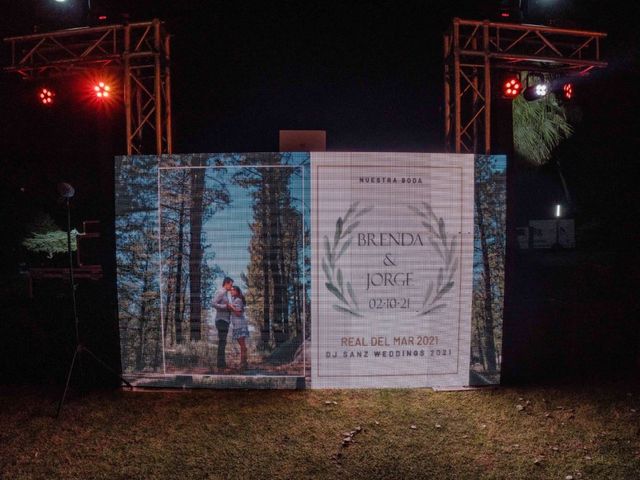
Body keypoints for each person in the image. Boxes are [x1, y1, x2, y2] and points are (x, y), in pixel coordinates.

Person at [212, 277, 234, 370]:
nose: (231, 287)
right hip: (221, 321)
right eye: (231, 285)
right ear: (226, 283)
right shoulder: (221, 292)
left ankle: (222, 364)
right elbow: (213, 303)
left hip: (225, 321)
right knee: (222, 342)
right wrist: (226, 306)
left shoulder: (225, 294)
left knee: (223, 342)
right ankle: (220, 365)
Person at [229, 286, 249, 371]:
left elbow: (238, 313)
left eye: (233, 290)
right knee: (242, 345)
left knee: (242, 345)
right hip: (237, 325)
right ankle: (244, 363)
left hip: (240, 325)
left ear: (237, 291)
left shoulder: (238, 300)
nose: (231, 291)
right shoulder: (235, 300)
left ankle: (243, 364)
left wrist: (231, 307)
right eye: (231, 290)